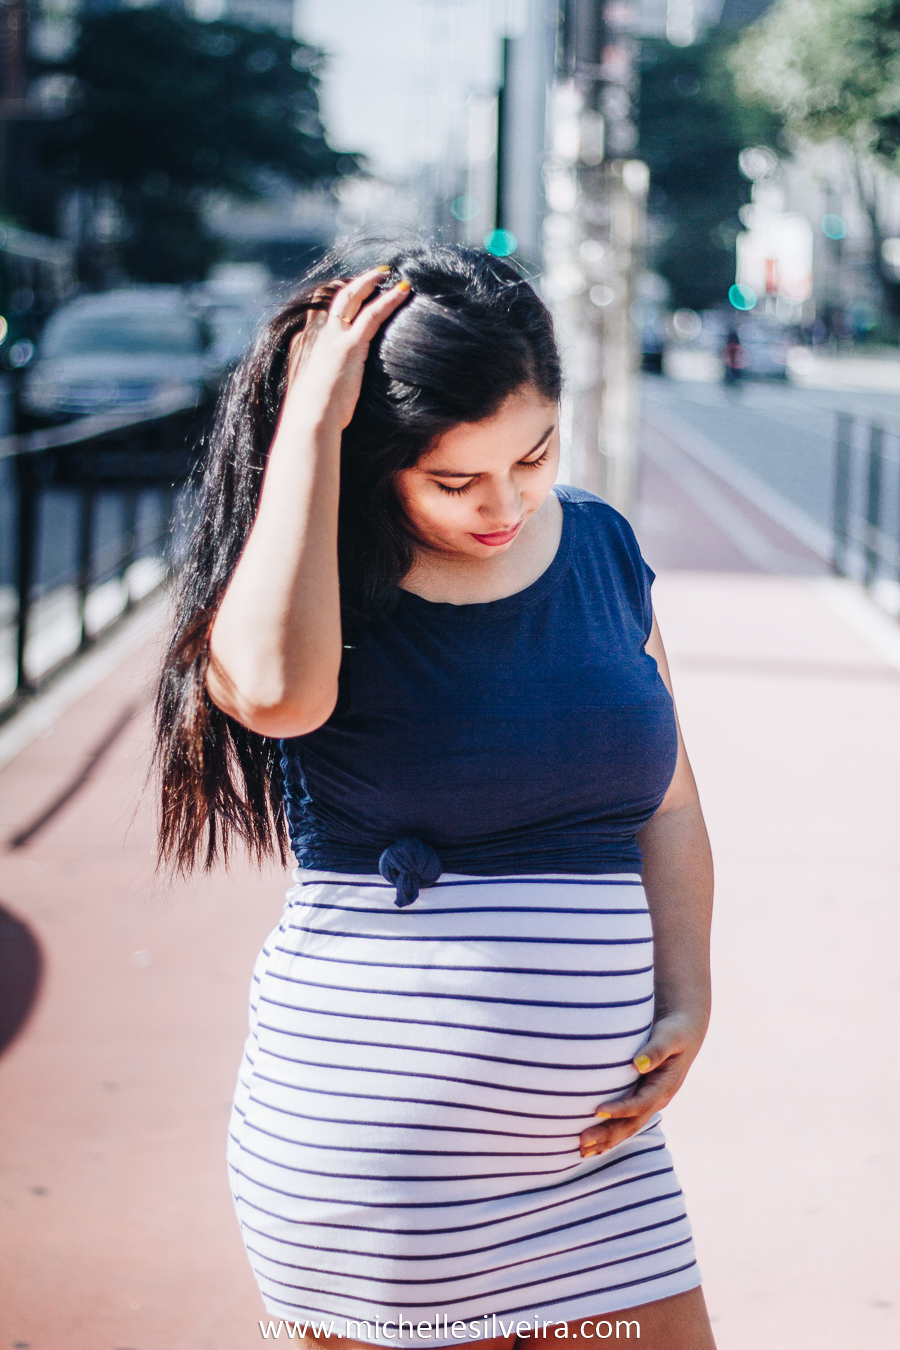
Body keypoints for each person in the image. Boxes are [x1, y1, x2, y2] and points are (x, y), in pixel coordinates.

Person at [154, 244, 716, 1350]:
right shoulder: (310, 583)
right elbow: (270, 694)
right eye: (454, 480)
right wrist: (312, 423)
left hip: (596, 1159)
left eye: (535, 453)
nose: (504, 502)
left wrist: (689, 995)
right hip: (381, 1170)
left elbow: (671, 803)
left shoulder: (601, 547)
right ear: (370, 462)